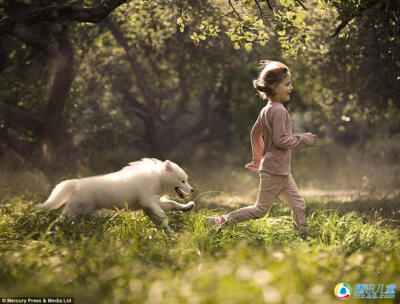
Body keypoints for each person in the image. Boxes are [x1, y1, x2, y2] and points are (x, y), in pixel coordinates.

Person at [207, 60, 317, 235]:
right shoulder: (279, 111)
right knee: (260, 210)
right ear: (274, 87)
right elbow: (281, 141)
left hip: (279, 170)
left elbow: (254, 134)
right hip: (274, 171)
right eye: (287, 84)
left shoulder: (266, 110)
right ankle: (218, 222)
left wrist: (258, 159)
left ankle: (302, 236)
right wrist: (305, 139)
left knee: (298, 205)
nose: (291, 88)